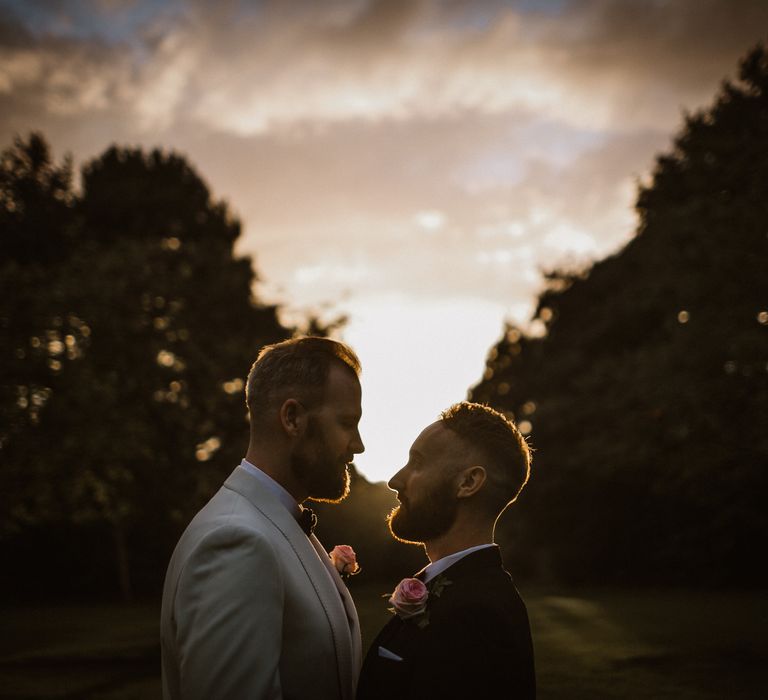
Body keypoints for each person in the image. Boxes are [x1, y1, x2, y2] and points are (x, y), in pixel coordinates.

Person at [161, 336, 365, 700]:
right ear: (292, 418)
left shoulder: (278, 522)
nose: (358, 444)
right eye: (347, 423)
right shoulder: (236, 541)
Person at [356, 401, 536, 700]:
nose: (395, 480)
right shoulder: (467, 594)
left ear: (467, 482)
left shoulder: (476, 617)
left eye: (417, 463)